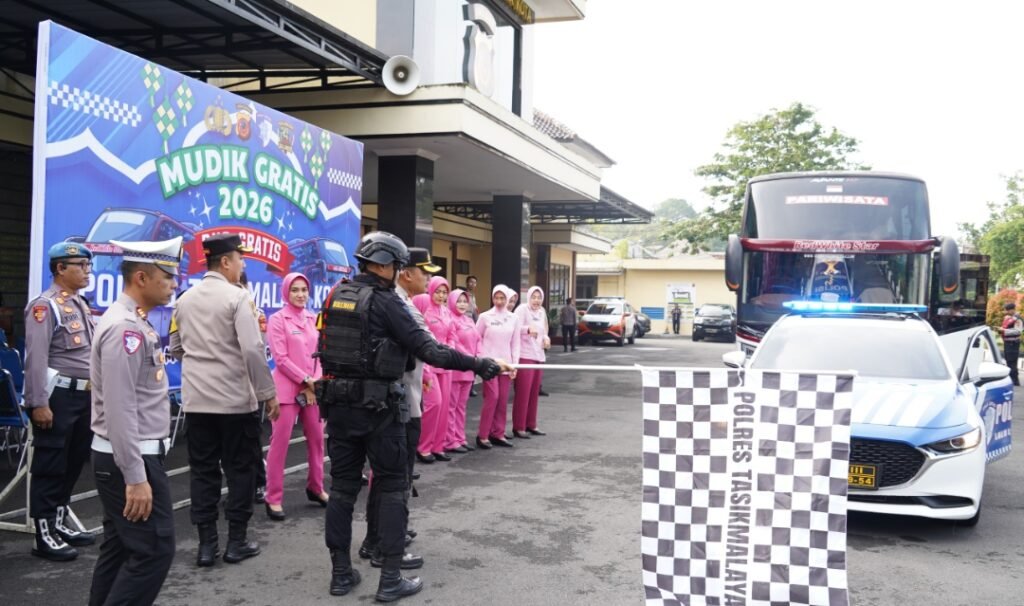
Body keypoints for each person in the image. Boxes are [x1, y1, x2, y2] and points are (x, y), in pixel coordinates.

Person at [316, 231, 508, 602]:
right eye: (398, 266)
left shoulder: (337, 295)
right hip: (380, 411)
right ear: (387, 266)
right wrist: (479, 364)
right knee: (390, 489)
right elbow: (431, 350)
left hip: (339, 408)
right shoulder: (388, 302)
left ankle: (340, 573)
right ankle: (389, 578)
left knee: (341, 490)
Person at [169, 234, 280, 567]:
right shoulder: (238, 298)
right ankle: (236, 541)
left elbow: (175, 347)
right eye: (241, 260)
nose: (243, 265)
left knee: (203, 473)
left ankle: (206, 546)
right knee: (240, 471)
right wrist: (268, 393)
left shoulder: (184, 299)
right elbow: (251, 349)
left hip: (197, 402)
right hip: (234, 402)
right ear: (228, 262)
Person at [88, 237, 181, 606]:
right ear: (141, 278)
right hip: (130, 457)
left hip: (128, 454)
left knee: (121, 547)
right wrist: (136, 476)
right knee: (154, 550)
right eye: (167, 276)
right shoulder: (124, 330)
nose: (173, 284)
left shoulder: (132, 323)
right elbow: (120, 407)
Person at [358, 247, 439, 572]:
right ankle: (383, 543)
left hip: (392, 398)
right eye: (424, 271)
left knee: (387, 478)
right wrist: (481, 364)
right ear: (405, 273)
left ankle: (376, 537)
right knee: (396, 480)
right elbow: (431, 347)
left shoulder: (390, 301)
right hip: (402, 402)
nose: (428, 277)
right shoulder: (400, 306)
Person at [23, 242, 98, 561]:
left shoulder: (80, 303)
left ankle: (57, 522)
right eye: (80, 265)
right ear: (59, 269)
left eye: (87, 265)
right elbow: (36, 358)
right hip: (59, 396)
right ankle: (43, 534)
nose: (86, 271)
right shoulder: (45, 305)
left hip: (84, 396)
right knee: (51, 465)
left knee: (72, 462)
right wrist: (38, 402)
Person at [264, 272, 327, 521]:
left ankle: (316, 487)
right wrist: (307, 381)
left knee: (317, 440)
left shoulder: (313, 318)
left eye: (304, 290)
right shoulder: (278, 320)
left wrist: (316, 381)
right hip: (287, 392)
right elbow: (281, 359)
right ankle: (274, 497)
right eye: (295, 290)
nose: (300, 294)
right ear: (286, 293)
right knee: (280, 445)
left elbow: (320, 353)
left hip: (312, 391)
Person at [413, 276, 456, 463]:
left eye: (444, 292)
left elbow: (452, 335)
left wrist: (449, 350)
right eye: (437, 291)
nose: (440, 295)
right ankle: (423, 446)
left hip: (444, 365)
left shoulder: (446, 312)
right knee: (434, 404)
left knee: (444, 406)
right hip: (428, 366)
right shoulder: (424, 308)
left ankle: (438, 446)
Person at [475, 285, 521, 449]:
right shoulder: (484, 317)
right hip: (489, 364)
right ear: (492, 298)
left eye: (503, 298)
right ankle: (483, 435)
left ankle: (498, 433)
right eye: (496, 298)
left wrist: (514, 365)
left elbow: (515, 343)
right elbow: (476, 338)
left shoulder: (513, 318)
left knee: (502, 400)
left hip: (507, 365)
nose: (500, 301)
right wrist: (481, 360)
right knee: (492, 398)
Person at [238, 271, 268, 505]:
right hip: (226, 386)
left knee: (251, 438)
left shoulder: (256, 314)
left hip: (249, 385)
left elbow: (259, 349)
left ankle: (258, 483)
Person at [444, 288, 481, 454]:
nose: (462, 304)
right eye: (459, 301)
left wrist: (479, 357)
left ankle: (460, 437)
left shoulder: (469, 320)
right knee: (451, 407)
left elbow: (478, 340)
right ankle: (450, 440)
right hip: (456, 368)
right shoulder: (449, 318)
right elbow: (455, 344)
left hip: (469, 369)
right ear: (451, 301)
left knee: (461, 406)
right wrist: (469, 359)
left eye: (465, 301)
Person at [513, 286, 550, 439]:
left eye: (539, 297)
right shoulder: (522, 309)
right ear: (528, 297)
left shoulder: (542, 312)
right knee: (523, 392)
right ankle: (519, 426)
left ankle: (531, 424)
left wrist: (546, 339)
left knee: (534, 392)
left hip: (539, 356)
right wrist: (527, 329)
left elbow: (545, 331)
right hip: (525, 355)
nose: (536, 300)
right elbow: (514, 328)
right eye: (533, 297)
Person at [1001, 302, 1021, 387]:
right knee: (1009, 361)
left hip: (1013, 343)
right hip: (1008, 342)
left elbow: (1018, 331)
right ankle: (1011, 380)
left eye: (1007, 310)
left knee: (1012, 362)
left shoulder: (1017, 319)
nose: (1005, 312)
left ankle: (1014, 381)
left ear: (1012, 310)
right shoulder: (1009, 318)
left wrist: (1004, 331)